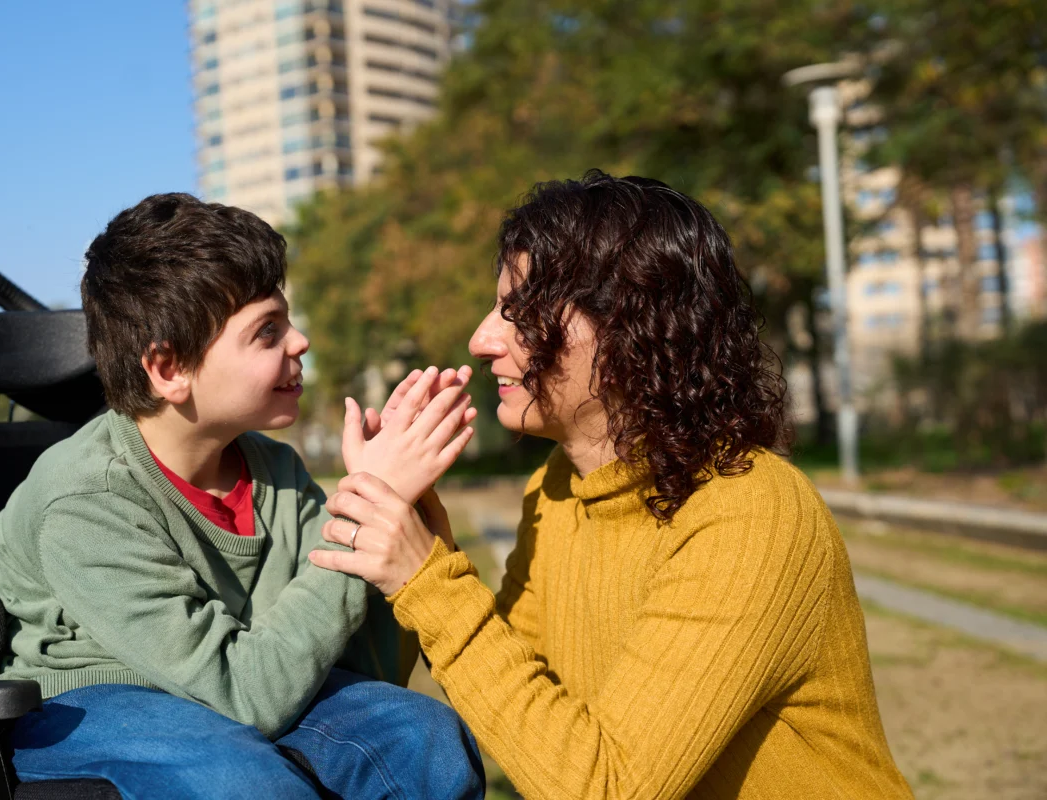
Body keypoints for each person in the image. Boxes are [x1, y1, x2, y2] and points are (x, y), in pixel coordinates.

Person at [313, 171, 915, 798]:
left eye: (521, 313)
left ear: (633, 326)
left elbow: (608, 787)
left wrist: (427, 580)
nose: (482, 339)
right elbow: (521, 719)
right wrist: (424, 540)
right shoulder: (556, 488)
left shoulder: (751, 513)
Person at [0, 193, 485, 800]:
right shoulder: (85, 500)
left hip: (237, 687)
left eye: (287, 320)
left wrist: (391, 505)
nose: (300, 342)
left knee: (423, 740)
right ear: (169, 369)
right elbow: (245, 696)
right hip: (90, 704)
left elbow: (361, 666)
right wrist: (362, 514)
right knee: (242, 782)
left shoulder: (277, 472)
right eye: (267, 331)